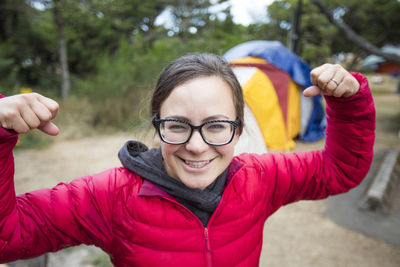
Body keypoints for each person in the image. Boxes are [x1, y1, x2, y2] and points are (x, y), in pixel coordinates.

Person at [0, 53, 375, 266]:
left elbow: (339, 171)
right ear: (157, 123)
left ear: (239, 126)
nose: (197, 147)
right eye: (178, 125)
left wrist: (349, 102)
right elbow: (8, 235)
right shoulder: (111, 196)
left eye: (216, 127)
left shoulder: (259, 178)